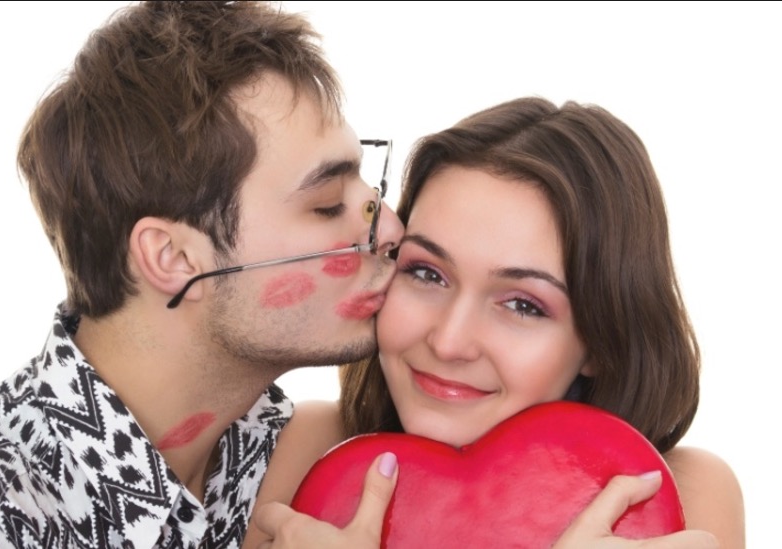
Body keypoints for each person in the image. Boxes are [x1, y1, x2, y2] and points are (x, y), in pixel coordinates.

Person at [0, 2, 405, 546]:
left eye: (367, 190)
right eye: (325, 203)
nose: (390, 228)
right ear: (173, 258)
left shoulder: (307, 458)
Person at [248, 97, 744, 548]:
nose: (448, 342)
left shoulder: (676, 495)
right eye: (426, 273)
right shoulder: (309, 446)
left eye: (523, 305)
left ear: (599, 340)